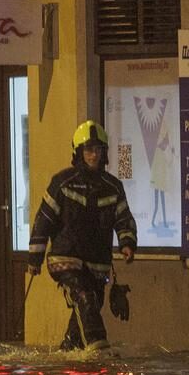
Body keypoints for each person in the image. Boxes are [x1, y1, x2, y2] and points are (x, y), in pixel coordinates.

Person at [28, 120, 137, 351]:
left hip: (97, 264)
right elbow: (43, 221)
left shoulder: (113, 187)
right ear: (78, 152)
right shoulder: (62, 183)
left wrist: (127, 243)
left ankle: (68, 353)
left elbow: (123, 218)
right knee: (84, 298)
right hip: (65, 260)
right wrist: (34, 259)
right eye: (88, 150)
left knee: (90, 306)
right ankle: (99, 350)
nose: (93, 155)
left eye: (98, 150)